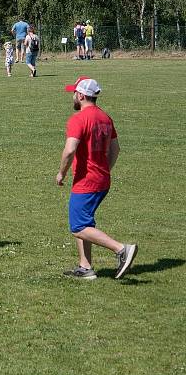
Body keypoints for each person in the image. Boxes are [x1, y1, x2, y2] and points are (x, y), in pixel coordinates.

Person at [56, 76, 138, 280]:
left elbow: (69, 150)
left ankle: (121, 249)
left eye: (74, 93)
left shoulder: (78, 119)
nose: (73, 96)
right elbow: (115, 148)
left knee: (78, 226)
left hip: (87, 181)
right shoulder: (105, 117)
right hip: (102, 180)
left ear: (81, 95)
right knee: (85, 222)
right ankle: (85, 267)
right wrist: (105, 169)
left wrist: (61, 173)